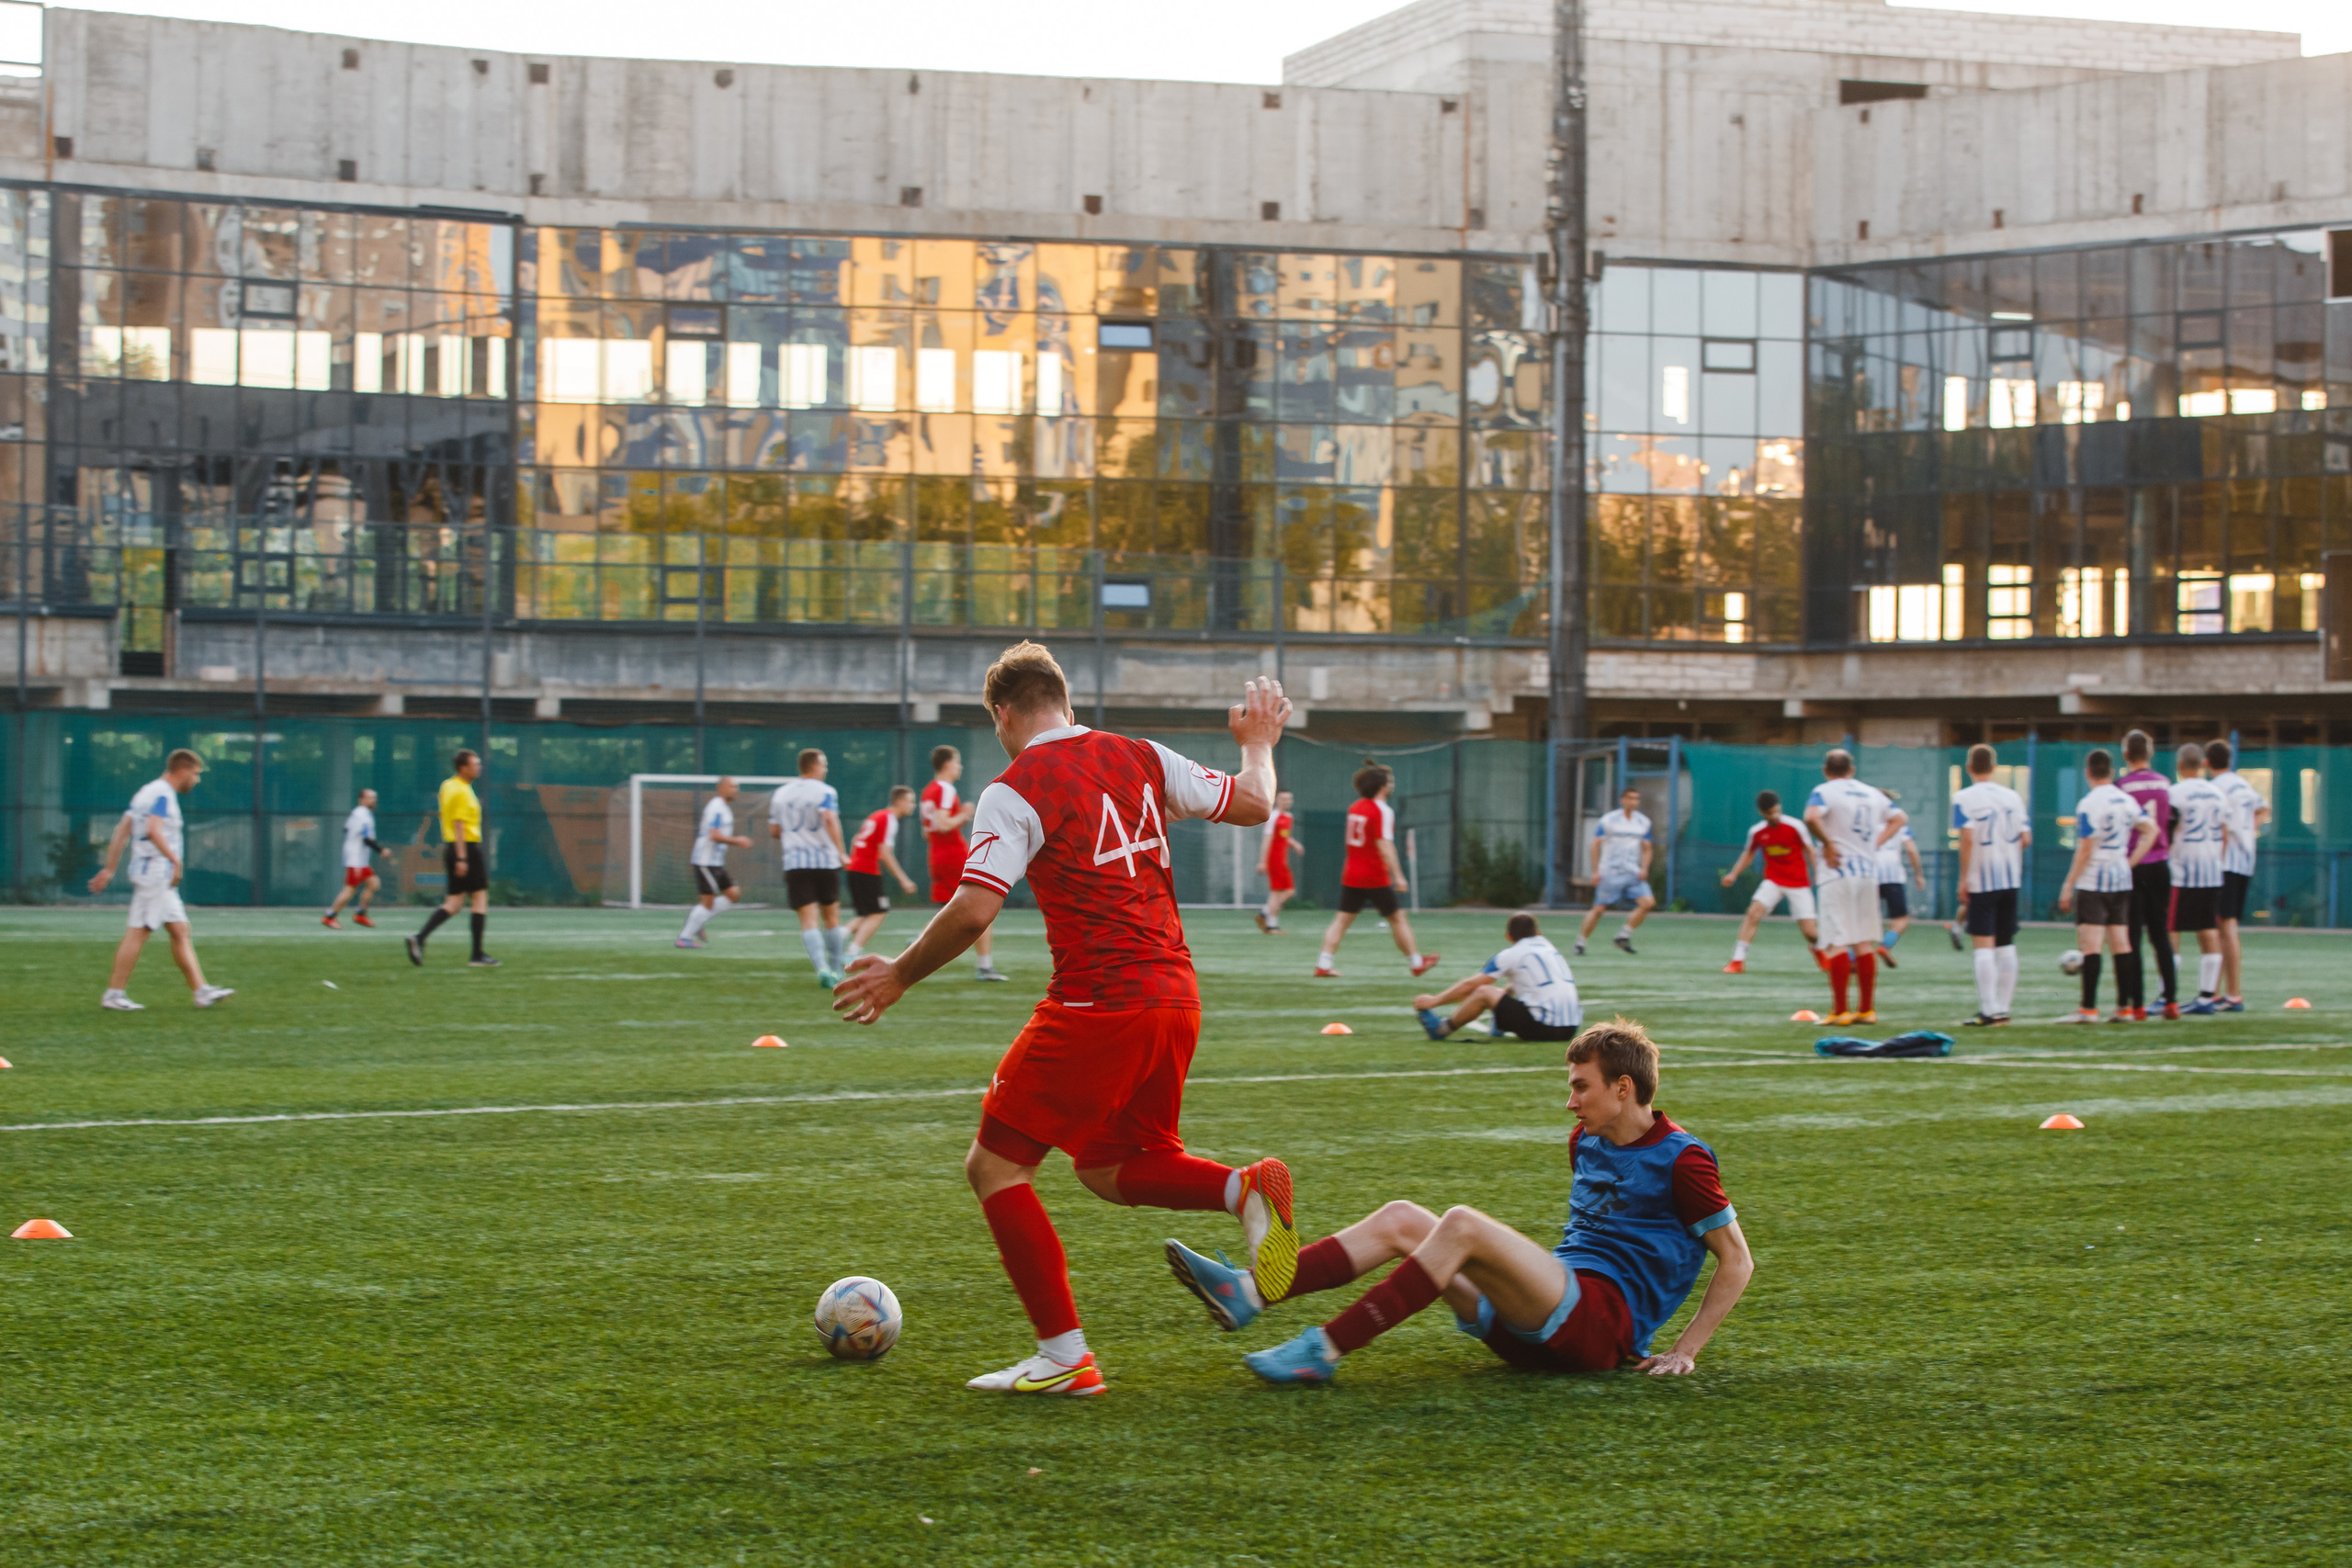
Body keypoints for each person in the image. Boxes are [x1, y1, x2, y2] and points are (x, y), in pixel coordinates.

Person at [832, 642, 1299, 1397]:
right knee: (1109, 1169)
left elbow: (975, 904)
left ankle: (1063, 1355)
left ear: (1003, 713)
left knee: (995, 1166)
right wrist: (1257, 745)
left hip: (1099, 1000)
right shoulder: (1139, 753)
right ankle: (1244, 1190)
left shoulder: (1014, 786)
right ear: (1067, 701)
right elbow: (1252, 802)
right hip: (1176, 995)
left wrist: (899, 974)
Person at [1167, 1019, 1753, 1384]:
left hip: (1598, 1330)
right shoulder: (1587, 1140)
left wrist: (1685, 1350)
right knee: (1402, 1217)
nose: (1570, 1103)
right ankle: (1250, 1291)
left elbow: (1737, 1260)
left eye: (1581, 1086)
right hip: (1539, 1319)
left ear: (1623, 1089)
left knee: (1462, 1224)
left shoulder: (1684, 1159)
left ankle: (1325, 1348)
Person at [89, 748, 233, 1010]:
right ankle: (113, 994)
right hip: (155, 871)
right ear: (182, 770)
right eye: (196, 773)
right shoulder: (163, 795)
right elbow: (153, 830)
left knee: (179, 930)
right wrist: (174, 860)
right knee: (139, 932)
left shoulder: (146, 791)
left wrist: (109, 869)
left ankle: (201, 991)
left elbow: (122, 830)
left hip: (153, 872)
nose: (197, 780)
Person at [2055, 749, 2158, 1022]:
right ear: (2111, 772)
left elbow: (2085, 848)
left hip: (2094, 880)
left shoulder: (2089, 803)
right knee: (2121, 943)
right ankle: (2123, 1007)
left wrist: (2069, 884)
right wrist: (2130, 861)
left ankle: (2088, 1008)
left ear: (2088, 773)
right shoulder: (2125, 800)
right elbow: (2151, 831)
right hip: (2121, 878)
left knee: (2091, 945)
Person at [1804, 750, 1905, 1026]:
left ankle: (1839, 1011)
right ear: (1852, 769)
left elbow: (1811, 817)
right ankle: (1867, 1010)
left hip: (1836, 874)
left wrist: (1828, 843)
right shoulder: (1873, 793)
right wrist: (1875, 844)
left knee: (1836, 942)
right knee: (1863, 942)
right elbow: (1900, 819)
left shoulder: (1824, 791)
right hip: (1867, 874)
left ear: (1826, 770)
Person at [1315, 765, 1439, 979]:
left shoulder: (1355, 807)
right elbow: (1384, 845)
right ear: (1382, 786)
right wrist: (1398, 875)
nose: (1392, 785)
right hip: (1374, 876)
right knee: (1397, 918)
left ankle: (1324, 964)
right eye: (1390, 781)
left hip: (1352, 873)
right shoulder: (1382, 810)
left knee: (1341, 920)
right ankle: (1416, 963)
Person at [1951, 743, 2030, 1026]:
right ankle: (2004, 1010)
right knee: (2006, 943)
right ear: (1994, 768)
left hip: (1982, 878)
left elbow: (1968, 838)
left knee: (1983, 945)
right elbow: (2025, 838)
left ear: (1969, 767)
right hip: (2010, 877)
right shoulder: (2013, 797)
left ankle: (1988, 1009)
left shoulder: (1963, 797)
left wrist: (1964, 878)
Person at [1413, 911, 1581, 1043]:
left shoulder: (1511, 954)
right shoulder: (1550, 949)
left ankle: (1441, 1029)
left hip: (1543, 1028)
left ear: (1508, 936)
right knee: (1511, 986)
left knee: (1484, 991)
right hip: (1570, 1029)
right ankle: (1499, 1025)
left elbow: (1471, 985)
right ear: (1538, 932)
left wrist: (1434, 1001)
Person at [922, 745, 1006, 982]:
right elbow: (942, 825)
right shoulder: (945, 789)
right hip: (952, 854)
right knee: (984, 907)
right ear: (947, 764)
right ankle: (985, 966)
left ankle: (922, 939)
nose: (960, 767)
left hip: (936, 855)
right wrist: (966, 813)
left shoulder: (929, 790)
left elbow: (927, 831)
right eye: (957, 762)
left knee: (947, 910)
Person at [407, 750, 496, 968]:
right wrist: (462, 858)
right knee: (479, 899)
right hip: (465, 848)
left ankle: (419, 938)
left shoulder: (449, 786)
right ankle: (477, 954)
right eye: (475, 764)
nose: (479, 767)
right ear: (463, 767)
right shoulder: (461, 791)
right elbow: (458, 824)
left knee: (454, 903)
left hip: (454, 848)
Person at [1720, 790, 1822, 975]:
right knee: (1753, 913)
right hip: (1773, 880)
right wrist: (1733, 874)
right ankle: (1737, 961)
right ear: (1762, 813)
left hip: (1798, 882)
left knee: (1811, 934)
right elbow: (1748, 854)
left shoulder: (1795, 826)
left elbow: (1810, 849)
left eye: (1776, 811)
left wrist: (1818, 872)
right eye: (1770, 813)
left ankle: (1817, 948)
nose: (1774, 816)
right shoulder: (1757, 831)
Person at [772, 749, 851, 987]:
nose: (825, 769)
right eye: (824, 765)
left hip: (796, 862)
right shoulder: (825, 791)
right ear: (814, 766)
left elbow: (774, 831)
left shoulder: (781, 794)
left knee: (808, 920)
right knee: (832, 917)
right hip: (824, 861)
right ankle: (837, 969)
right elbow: (828, 818)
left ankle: (822, 969)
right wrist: (841, 852)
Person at [2116, 730, 2181, 1020]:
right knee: (2161, 936)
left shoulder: (2122, 787)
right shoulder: (2165, 784)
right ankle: (2170, 1001)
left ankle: (2137, 1004)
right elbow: (2172, 820)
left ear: (2126, 754)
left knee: (2132, 937)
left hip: (2134, 863)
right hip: (2161, 864)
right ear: (2150, 753)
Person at [2169, 743, 2236, 1015]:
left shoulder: (2174, 793)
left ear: (2180, 765)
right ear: (2201, 765)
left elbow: (2169, 830)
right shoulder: (2217, 794)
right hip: (2211, 871)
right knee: (2209, 931)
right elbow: (2225, 833)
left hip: (2182, 871)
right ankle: (2207, 997)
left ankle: (2167, 996)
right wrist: (2217, 860)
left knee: (2171, 933)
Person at [2207, 739, 2268, 1011]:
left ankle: (2228, 994)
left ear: (2207, 763)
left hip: (2226, 863)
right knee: (2225, 926)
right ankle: (2222, 992)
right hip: (2245, 860)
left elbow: (2221, 827)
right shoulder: (2243, 784)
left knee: (2224, 925)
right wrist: (2249, 832)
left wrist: (2217, 855)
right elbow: (2263, 808)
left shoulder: (2216, 788)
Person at [843, 784, 920, 965]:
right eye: (910, 801)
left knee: (866, 914)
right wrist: (903, 880)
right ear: (899, 801)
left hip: (855, 868)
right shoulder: (889, 819)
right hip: (867, 870)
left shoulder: (876, 815)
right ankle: (852, 952)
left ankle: (837, 937)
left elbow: (856, 840)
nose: (913, 806)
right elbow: (885, 852)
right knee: (878, 913)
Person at [1576, 785, 1656, 956]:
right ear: (1623, 800)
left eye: (1637, 799)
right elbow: (1595, 845)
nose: (1634, 802)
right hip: (1610, 872)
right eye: (1631, 798)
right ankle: (1580, 942)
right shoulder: (1609, 820)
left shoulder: (1643, 822)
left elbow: (1647, 848)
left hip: (1632, 872)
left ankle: (1623, 935)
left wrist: (1645, 868)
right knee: (1598, 910)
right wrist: (1596, 871)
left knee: (1648, 903)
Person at [676, 776, 752, 949]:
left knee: (733, 894)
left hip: (715, 862)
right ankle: (684, 938)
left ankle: (694, 920)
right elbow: (714, 835)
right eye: (732, 786)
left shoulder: (724, 809)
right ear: (721, 788)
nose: (736, 790)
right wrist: (738, 840)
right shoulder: (716, 807)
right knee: (708, 902)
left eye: (737, 787)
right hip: (705, 861)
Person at [323, 787, 388, 929]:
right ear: (362, 799)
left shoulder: (358, 813)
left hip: (360, 859)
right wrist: (381, 850)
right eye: (370, 797)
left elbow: (346, 829)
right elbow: (366, 839)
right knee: (350, 890)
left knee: (374, 883)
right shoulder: (362, 815)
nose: (374, 800)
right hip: (356, 859)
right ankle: (330, 916)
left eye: (374, 797)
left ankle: (360, 914)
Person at [1873, 819, 1925, 966]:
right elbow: (1911, 850)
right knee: (1901, 919)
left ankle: (1852, 957)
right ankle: (1885, 946)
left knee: (1865, 921)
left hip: (1869, 874)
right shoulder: (1899, 822)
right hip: (1893, 875)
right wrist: (1918, 874)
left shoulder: (1867, 821)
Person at [1254, 788, 1304, 934]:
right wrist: (1262, 861)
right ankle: (1270, 924)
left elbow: (1284, 836)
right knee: (1284, 891)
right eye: (1283, 799)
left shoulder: (1289, 816)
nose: (1287, 801)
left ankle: (1265, 916)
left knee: (1282, 892)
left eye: (1289, 799)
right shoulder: (1273, 816)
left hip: (1283, 858)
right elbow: (1267, 839)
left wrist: (1294, 844)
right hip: (1274, 858)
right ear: (1277, 800)